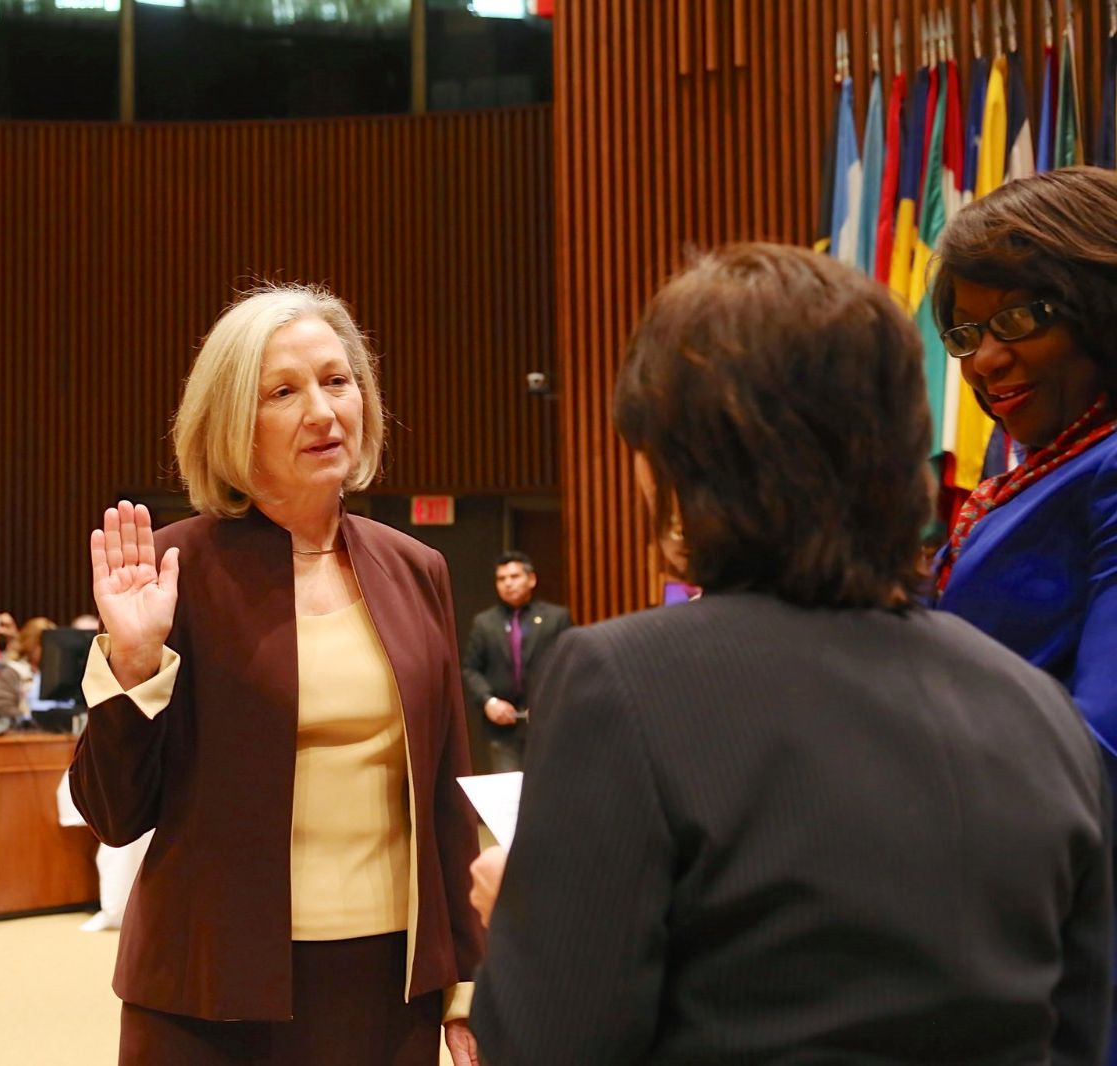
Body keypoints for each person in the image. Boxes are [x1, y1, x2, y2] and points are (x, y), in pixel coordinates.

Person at [469, 245, 1111, 1062]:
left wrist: (526, 926)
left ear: (680, 461)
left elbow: (549, 1045)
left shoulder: (622, 683)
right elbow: (1080, 1035)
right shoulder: (1038, 710)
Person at [69, 284, 483, 1066]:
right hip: (210, 989)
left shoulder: (415, 567)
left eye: (338, 380)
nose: (324, 412)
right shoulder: (171, 574)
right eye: (284, 392)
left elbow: (445, 794)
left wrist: (466, 981)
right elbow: (114, 814)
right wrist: (132, 663)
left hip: (387, 982)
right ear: (231, 423)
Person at [931, 167, 1117, 779]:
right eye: (965, 333)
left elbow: (1103, 745)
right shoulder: (1047, 466)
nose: (984, 360)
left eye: (1016, 319)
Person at [460, 551, 572, 771]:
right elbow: (470, 668)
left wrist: (548, 702)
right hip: (502, 726)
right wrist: (488, 702)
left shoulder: (556, 618)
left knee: (547, 793)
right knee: (508, 798)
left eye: (514, 577)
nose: (508, 584)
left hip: (547, 723)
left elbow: (569, 665)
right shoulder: (484, 623)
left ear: (531, 579)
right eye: (501, 579)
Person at [0, 616, 54, 722]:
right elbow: (5, 708)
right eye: (42, 644)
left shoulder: (59, 673)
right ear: (30, 643)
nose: (49, 649)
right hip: (24, 732)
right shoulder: (11, 672)